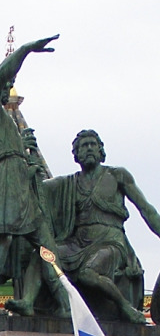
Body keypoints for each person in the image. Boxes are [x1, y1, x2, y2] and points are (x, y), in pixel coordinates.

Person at [0, 34, 68, 317]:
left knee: (44, 241)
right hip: (4, 177)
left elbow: (13, 153)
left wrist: (28, 162)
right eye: (4, 85)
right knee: (5, 238)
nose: (7, 89)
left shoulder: (0, 116)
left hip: (16, 176)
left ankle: (63, 300)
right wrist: (25, 50)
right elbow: (1, 74)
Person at [43, 130, 158, 324]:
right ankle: (59, 306)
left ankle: (124, 307)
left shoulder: (117, 175)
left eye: (92, 144)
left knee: (87, 274)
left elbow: (147, 210)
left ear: (101, 150)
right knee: (45, 256)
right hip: (77, 243)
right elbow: (39, 188)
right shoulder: (69, 183)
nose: (88, 149)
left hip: (110, 242)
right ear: (76, 154)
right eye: (83, 146)